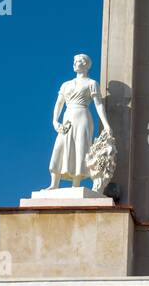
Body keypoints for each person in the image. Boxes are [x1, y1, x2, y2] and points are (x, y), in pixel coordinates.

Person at [46, 54, 111, 189]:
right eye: (74, 61)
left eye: (79, 61)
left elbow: (99, 105)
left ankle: (76, 185)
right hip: (67, 118)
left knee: (80, 148)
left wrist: (106, 125)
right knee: (60, 147)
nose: (76, 63)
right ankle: (54, 184)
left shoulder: (91, 83)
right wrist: (54, 121)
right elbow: (59, 104)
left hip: (83, 117)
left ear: (86, 64)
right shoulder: (66, 84)